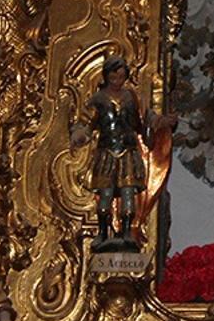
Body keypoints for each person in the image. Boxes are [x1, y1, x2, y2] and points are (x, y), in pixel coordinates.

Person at [70, 57, 175, 251]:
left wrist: (162, 121)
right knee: (106, 193)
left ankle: (127, 231)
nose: (117, 80)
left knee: (128, 191)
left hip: (128, 150)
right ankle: (103, 232)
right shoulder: (98, 99)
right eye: (113, 76)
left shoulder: (131, 97)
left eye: (121, 76)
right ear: (106, 76)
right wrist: (79, 134)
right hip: (107, 151)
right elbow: (85, 122)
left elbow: (146, 118)